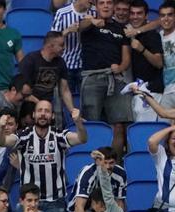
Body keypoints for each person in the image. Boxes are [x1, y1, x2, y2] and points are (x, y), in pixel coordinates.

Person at [0, 101, 87, 212]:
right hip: (30, 202)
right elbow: (2, 142)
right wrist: (1, 128)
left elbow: (82, 139)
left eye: (47, 111)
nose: (43, 114)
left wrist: (78, 123)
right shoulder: (24, 136)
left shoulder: (59, 136)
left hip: (55, 201)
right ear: (34, 114)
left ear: (52, 116)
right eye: (40, 110)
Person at [78, 0, 132, 153]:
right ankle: (91, 163)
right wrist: (92, 21)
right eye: (102, 3)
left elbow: (126, 57)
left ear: (114, 7)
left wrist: (120, 67)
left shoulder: (120, 29)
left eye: (109, 2)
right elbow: (79, 27)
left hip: (115, 79)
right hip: (92, 79)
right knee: (92, 125)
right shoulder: (87, 22)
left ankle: (114, 164)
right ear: (97, 6)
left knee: (119, 126)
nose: (106, 5)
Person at [67, 147, 127, 212]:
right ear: (97, 161)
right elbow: (79, 207)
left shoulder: (121, 174)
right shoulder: (88, 173)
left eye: (111, 163)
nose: (108, 166)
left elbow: (120, 202)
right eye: (105, 163)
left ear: (116, 162)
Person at [18, 31, 75, 113]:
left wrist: (73, 112)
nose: (64, 48)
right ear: (50, 46)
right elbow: (21, 90)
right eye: (61, 45)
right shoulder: (30, 60)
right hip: (29, 106)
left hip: (47, 106)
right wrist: (39, 103)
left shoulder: (61, 62)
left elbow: (65, 90)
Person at [127, 0, 164, 122]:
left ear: (146, 15)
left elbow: (159, 63)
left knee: (146, 131)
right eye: (132, 13)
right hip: (137, 89)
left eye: (139, 13)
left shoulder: (152, 35)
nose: (135, 17)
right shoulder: (129, 33)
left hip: (151, 91)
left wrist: (142, 49)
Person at [51, 0, 95, 94]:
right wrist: (68, 31)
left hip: (85, 66)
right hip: (66, 64)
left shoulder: (94, 13)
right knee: (64, 101)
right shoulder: (62, 13)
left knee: (86, 102)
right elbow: (52, 40)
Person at [146, 124, 175, 212]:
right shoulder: (162, 156)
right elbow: (152, 141)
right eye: (174, 139)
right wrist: (172, 128)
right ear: (167, 142)